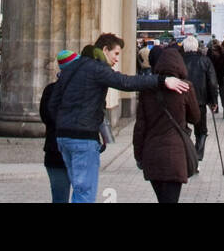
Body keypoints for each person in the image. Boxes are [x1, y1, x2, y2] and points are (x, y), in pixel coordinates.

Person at [48, 32, 189, 203]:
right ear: (105, 49)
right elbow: (126, 82)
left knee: (78, 189)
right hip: (83, 138)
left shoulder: (72, 67)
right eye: (115, 54)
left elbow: (53, 104)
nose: (116, 59)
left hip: (64, 137)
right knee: (84, 191)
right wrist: (161, 81)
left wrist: (63, 123)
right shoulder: (97, 69)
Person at [134, 46, 201, 203]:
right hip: (175, 155)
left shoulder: (148, 89)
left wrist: (138, 154)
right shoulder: (185, 87)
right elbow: (195, 118)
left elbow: (140, 127)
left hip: (152, 154)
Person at [39, 52, 72, 203]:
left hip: (54, 150)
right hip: (67, 151)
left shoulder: (50, 90)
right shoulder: (81, 91)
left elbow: (45, 117)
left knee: (59, 196)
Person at [181, 35, 218, 158]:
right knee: (201, 130)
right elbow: (212, 83)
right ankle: (198, 154)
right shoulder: (205, 61)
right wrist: (213, 101)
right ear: (197, 47)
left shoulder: (179, 60)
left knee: (183, 128)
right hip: (200, 101)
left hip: (182, 101)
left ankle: (187, 154)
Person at [209, 39, 224, 119]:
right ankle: (215, 107)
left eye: (215, 51)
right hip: (214, 78)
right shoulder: (211, 56)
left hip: (223, 79)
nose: (214, 53)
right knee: (214, 93)